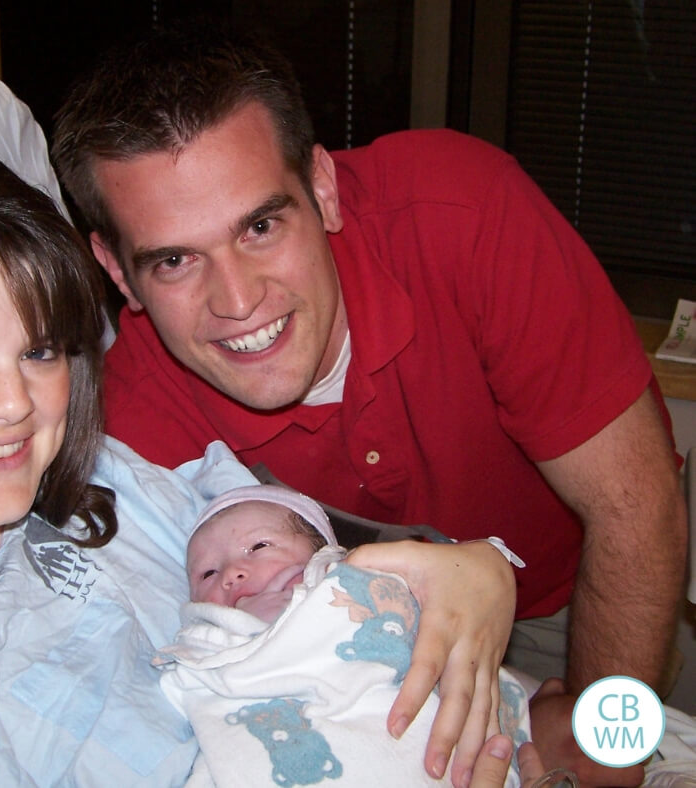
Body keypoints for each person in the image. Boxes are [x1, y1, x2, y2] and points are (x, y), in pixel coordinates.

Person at [0, 129, 518, 787]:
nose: (13, 404)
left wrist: (464, 569)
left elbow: (301, 560)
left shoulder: (115, 485)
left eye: (40, 350)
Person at [51, 21, 687, 786]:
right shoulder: (137, 414)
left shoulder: (466, 218)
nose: (239, 300)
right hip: (346, 646)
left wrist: (598, 752)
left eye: (259, 225)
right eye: (176, 260)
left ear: (321, 188)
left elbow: (635, 505)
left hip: (570, 600)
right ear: (117, 270)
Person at [156, 485, 531, 787]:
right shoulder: (200, 657)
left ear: (324, 553)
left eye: (259, 547)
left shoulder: (358, 584)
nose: (232, 572)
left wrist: (490, 559)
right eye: (207, 574)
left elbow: (453, 585)